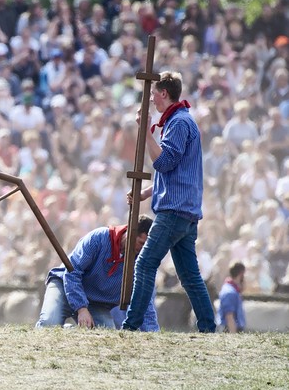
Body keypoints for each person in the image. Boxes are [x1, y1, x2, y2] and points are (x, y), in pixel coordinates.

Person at [122, 71, 216, 332]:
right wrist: (146, 193)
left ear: (164, 93)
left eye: (153, 94)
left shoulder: (178, 123)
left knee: (144, 263)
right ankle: (208, 327)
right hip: (185, 212)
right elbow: (177, 172)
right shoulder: (181, 120)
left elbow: (164, 162)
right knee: (189, 276)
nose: (151, 99)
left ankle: (131, 326)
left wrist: (146, 133)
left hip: (173, 212)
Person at [36, 215, 159, 330]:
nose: (143, 249)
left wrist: (152, 333)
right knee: (49, 324)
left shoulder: (142, 261)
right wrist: (82, 308)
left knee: (106, 335)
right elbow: (72, 272)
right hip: (64, 285)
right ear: (130, 233)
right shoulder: (99, 238)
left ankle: (69, 331)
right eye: (141, 243)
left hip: (95, 303)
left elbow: (144, 299)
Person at [217, 262, 246, 333]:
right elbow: (229, 316)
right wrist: (233, 338)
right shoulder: (230, 292)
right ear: (241, 274)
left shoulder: (232, 290)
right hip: (228, 330)